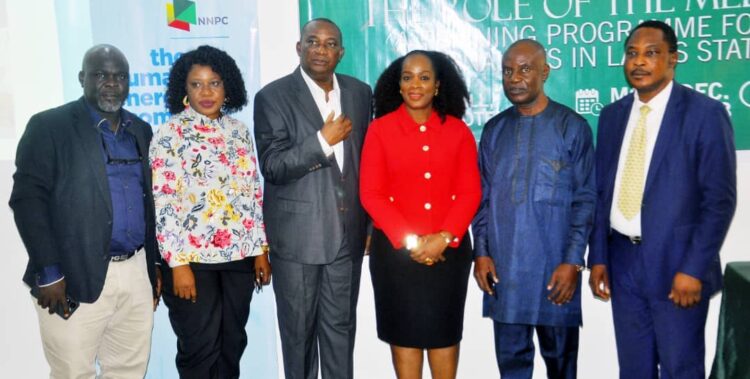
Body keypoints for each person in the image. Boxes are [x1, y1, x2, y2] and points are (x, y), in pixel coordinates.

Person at [588, 20, 736, 379]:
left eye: (651, 53)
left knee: (679, 367)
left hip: (678, 266)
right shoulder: (611, 116)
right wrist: (599, 258)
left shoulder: (704, 113)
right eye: (632, 54)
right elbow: (601, 193)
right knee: (634, 368)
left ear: (673, 59)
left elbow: (719, 201)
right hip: (623, 263)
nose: (639, 62)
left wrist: (693, 268)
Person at [9, 44, 160, 378]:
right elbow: (27, 200)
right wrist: (50, 272)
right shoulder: (50, 126)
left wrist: (154, 268)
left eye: (119, 76)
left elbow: (150, 203)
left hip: (135, 272)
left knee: (129, 371)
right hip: (71, 273)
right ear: (82, 78)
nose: (110, 83)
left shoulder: (141, 130)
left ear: (129, 82)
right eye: (100, 75)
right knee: (72, 372)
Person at [253, 18, 372, 379]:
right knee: (299, 337)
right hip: (297, 239)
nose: (321, 50)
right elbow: (273, 165)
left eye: (330, 43)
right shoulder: (272, 97)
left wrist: (368, 225)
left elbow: (366, 164)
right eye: (313, 42)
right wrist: (322, 141)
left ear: (341, 52)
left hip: (347, 239)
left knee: (340, 334)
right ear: (299, 47)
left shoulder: (360, 92)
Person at [472, 39, 596, 379]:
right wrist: (481, 253)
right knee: (512, 365)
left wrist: (572, 261)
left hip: (555, 272)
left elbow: (585, 199)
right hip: (505, 272)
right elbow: (480, 198)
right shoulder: (495, 131)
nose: (515, 78)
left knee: (561, 364)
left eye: (525, 69)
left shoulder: (571, 127)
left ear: (544, 72)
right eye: (508, 71)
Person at [150, 45, 270, 379]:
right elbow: (164, 202)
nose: (206, 92)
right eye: (196, 84)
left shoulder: (239, 133)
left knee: (232, 346)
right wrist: (178, 265)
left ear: (227, 87)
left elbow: (252, 194)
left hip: (239, 259)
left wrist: (260, 251)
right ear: (183, 90)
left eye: (214, 83)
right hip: (192, 264)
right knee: (199, 351)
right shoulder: (168, 135)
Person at [360, 50, 481, 379]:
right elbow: (371, 194)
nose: (415, 84)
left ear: (438, 86)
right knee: (405, 338)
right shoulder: (380, 131)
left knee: (444, 337)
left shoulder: (458, 132)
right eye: (408, 77)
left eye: (424, 77)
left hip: (449, 256)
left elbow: (471, 193)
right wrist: (412, 242)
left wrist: (442, 238)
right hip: (396, 258)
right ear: (398, 85)